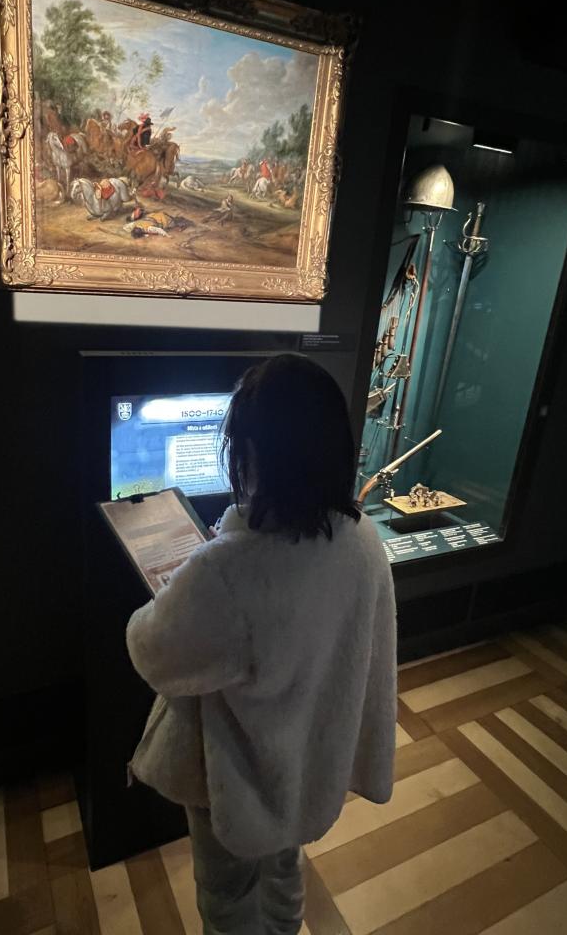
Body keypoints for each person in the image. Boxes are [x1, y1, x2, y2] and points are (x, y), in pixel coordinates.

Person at [126, 354, 397, 935]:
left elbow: (151, 650)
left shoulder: (229, 569)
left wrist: (183, 585)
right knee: (284, 870)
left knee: (227, 892)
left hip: (238, 783)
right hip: (307, 763)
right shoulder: (364, 540)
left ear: (252, 453)